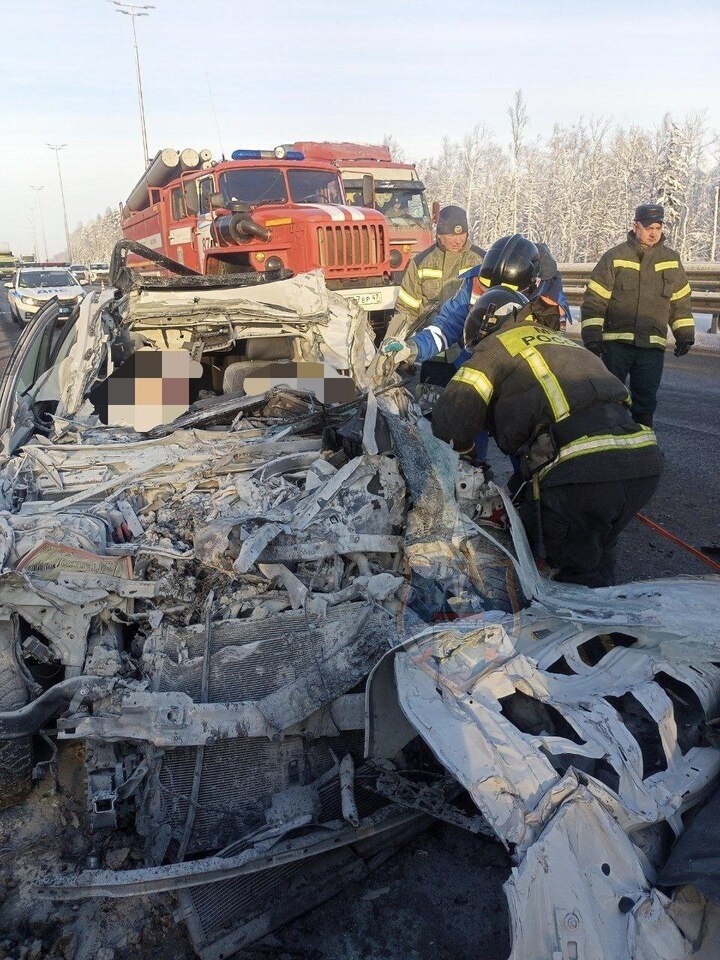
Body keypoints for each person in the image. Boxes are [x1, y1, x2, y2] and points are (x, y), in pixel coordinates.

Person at [431, 287, 663, 588]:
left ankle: (572, 612)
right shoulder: (560, 341)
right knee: (596, 551)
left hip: (582, 472)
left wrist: (466, 450)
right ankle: (606, 607)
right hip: (642, 461)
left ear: (485, 330)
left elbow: (452, 420)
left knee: (561, 566)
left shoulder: (495, 346)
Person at [581, 203, 694, 427]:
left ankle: (644, 441)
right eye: (649, 228)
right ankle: (611, 438)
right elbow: (595, 298)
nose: (654, 233)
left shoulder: (671, 260)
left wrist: (685, 335)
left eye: (658, 228)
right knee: (611, 397)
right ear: (635, 227)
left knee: (646, 402)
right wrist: (592, 336)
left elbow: (680, 301)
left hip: (652, 345)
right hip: (616, 344)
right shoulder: (615, 257)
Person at [386, 205, 484, 339]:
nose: (457, 240)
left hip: (467, 342)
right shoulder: (421, 262)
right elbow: (406, 309)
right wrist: (396, 339)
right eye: (451, 235)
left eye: (462, 234)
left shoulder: (482, 261)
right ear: (439, 235)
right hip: (429, 341)